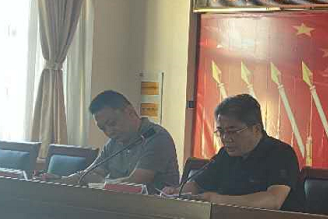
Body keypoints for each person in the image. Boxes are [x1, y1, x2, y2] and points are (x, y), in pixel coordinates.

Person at [166, 93, 304, 211]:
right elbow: (197, 186)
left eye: (232, 131)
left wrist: (218, 200)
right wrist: (175, 193)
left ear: (256, 129)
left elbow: (273, 200)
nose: (225, 138)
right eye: (221, 131)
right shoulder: (225, 155)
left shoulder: (281, 153)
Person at [47, 90, 179, 191]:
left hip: (152, 212)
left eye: (112, 123)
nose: (109, 132)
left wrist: (100, 183)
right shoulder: (114, 142)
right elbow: (90, 173)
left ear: (130, 112)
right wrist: (58, 181)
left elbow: (136, 183)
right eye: (103, 128)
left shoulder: (156, 138)